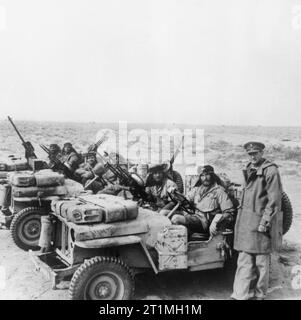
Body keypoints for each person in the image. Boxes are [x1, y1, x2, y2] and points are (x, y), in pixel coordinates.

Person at [231, 142, 283, 300]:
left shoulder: (271, 170)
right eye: (250, 153)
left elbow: (274, 200)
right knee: (244, 260)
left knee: (261, 262)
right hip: (247, 223)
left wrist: (265, 222)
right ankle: (240, 295)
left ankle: (260, 294)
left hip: (261, 222)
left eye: (256, 153)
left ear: (262, 153)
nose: (253, 156)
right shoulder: (249, 168)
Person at [171, 165, 235, 236]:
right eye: (202, 175)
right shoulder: (197, 189)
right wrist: (176, 195)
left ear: (212, 175)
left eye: (207, 175)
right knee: (165, 214)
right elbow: (186, 200)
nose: (205, 178)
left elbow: (229, 212)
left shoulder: (219, 191)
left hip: (205, 222)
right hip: (194, 216)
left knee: (176, 219)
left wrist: (216, 220)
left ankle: (181, 242)